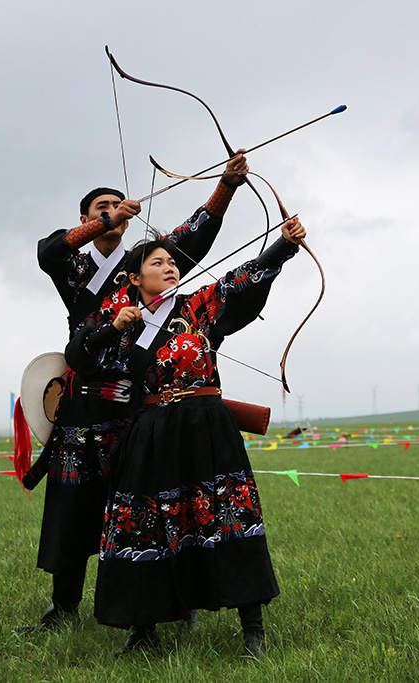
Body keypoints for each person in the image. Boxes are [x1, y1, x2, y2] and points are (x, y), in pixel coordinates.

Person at [18, 151, 250, 635]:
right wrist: (109, 218)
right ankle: (62, 609)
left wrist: (226, 184)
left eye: (118, 206)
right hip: (83, 409)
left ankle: (165, 607)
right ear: (85, 219)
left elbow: (195, 235)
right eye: (101, 208)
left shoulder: (141, 264)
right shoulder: (75, 269)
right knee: (72, 510)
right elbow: (47, 251)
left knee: (154, 507)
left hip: (137, 406)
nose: (112, 212)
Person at [65, 216, 307, 658]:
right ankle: (143, 628)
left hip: (206, 425)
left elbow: (241, 280)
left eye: (173, 262)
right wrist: (115, 327)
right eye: (158, 263)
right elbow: (79, 356)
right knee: (144, 526)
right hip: (152, 431)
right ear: (135, 278)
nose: (170, 267)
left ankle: (252, 628)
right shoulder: (122, 320)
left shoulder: (199, 305)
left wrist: (283, 246)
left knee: (227, 516)